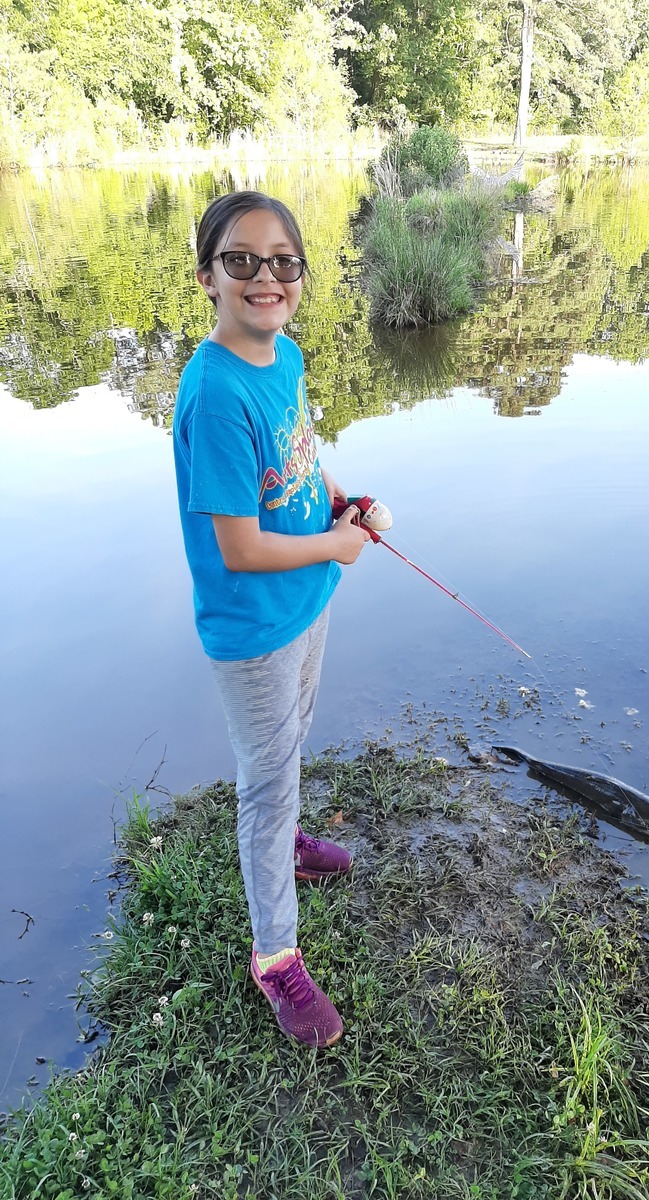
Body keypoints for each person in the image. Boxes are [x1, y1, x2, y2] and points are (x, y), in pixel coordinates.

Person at [172, 190, 369, 1048]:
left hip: (305, 602)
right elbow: (241, 546)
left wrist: (339, 497)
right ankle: (275, 958)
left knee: (293, 739)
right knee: (267, 782)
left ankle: (287, 843)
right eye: (242, 260)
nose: (265, 277)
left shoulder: (283, 354)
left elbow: (298, 453)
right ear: (207, 276)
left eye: (283, 261)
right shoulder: (215, 393)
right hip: (253, 628)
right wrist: (337, 545)